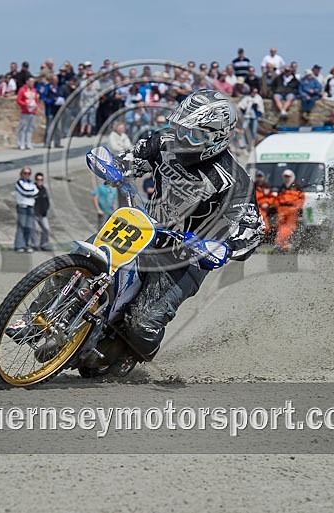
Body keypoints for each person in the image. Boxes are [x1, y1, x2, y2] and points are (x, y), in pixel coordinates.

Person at [87, 90, 264, 370]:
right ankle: (39, 312)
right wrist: (113, 165)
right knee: (88, 257)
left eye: (192, 134)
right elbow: (132, 159)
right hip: (147, 229)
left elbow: (253, 229)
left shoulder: (234, 181)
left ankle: (130, 353)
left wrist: (223, 247)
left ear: (216, 137)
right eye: (180, 129)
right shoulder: (164, 142)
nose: (182, 138)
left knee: (142, 324)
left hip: (189, 254)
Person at [275, 169, 305, 251]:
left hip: (292, 210)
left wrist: (296, 208)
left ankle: (283, 242)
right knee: (280, 226)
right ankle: (282, 243)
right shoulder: (282, 187)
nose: (286, 178)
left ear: (292, 177)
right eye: (285, 177)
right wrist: (279, 209)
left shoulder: (297, 186)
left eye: (288, 177)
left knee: (290, 227)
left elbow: (301, 199)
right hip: (282, 210)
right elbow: (277, 200)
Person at [13, 166, 38, 252]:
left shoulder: (32, 183)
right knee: (21, 226)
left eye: (29, 173)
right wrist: (30, 193)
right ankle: (19, 245)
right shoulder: (19, 183)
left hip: (30, 206)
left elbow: (36, 192)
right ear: (21, 174)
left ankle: (26, 245)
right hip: (22, 206)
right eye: (25, 173)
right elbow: (24, 191)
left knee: (29, 227)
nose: (27, 175)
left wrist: (29, 194)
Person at [16, 77, 39, 150]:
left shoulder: (34, 90)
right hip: (25, 112)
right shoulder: (22, 90)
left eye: (33, 82)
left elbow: (36, 100)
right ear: (27, 82)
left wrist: (35, 106)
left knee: (30, 128)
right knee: (23, 128)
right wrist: (25, 104)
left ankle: (28, 143)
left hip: (33, 112)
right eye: (31, 82)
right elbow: (18, 100)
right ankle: (21, 143)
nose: (32, 83)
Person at [31, 172, 52, 251]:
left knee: (46, 229)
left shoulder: (44, 189)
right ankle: (34, 245)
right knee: (35, 229)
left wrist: (46, 208)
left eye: (41, 179)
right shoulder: (32, 188)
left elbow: (47, 200)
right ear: (35, 180)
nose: (40, 181)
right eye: (38, 179)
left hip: (43, 214)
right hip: (34, 214)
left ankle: (44, 245)